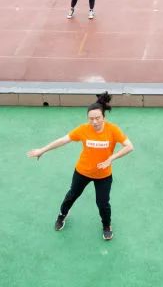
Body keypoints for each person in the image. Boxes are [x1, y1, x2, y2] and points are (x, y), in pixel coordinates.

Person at [27, 92, 134, 241]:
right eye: (91, 119)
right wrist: (42, 150)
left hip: (103, 175)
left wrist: (112, 158)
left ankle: (106, 225)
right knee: (72, 195)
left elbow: (129, 146)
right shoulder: (83, 129)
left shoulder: (113, 130)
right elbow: (63, 140)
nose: (94, 122)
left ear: (104, 117)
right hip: (82, 171)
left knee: (103, 203)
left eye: (98, 118)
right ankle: (62, 215)